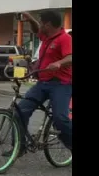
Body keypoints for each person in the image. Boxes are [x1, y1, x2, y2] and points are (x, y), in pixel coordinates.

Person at [17, 11, 72, 153]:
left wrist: (59, 63)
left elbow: (70, 57)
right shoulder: (47, 36)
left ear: (47, 25)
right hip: (43, 83)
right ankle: (19, 146)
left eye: (41, 22)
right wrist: (30, 19)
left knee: (60, 118)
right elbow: (36, 30)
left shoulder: (65, 39)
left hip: (61, 84)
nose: (39, 25)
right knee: (20, 111)